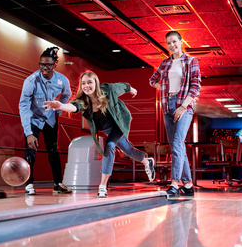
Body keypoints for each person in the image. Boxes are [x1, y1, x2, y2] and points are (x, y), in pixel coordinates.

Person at [44, 70, 155, 198]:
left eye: (89, 82)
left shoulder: (107, 90)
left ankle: (102, 186)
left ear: (96, 83)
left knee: (110, 146)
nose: (87, 86)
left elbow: (122, 86)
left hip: (119, 122)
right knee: (128, 150)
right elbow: (75, 107)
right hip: (108, 127)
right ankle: (147, 161)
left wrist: (131, 89)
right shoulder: (84, 100)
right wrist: (61, 106)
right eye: (83, 83)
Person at [149, 31, 201, 198]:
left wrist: (183, 106)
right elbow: (152, 80)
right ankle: (187, 185)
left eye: (174, 42)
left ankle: (174, 184)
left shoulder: (191, 61)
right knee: (177, 147)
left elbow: (195, 86)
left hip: (184, 106)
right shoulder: (165, 63)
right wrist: (164, 88)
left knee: (177, 143)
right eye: (168, 43)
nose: (172, 45)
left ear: (181, 41)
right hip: (167, 106)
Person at [19, 47, 72, 195]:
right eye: (42, 64)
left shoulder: (62, 80)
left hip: (50, 118)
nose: (44, 68)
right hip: (33, 118)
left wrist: (58, 110)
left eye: (48, 65)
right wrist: (28, 132)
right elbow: (23, 105)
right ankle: (28, 185)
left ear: (55, 64)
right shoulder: (31, 80)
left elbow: (67, 94)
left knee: (53, 150)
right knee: (31, 149)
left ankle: (58, 183)